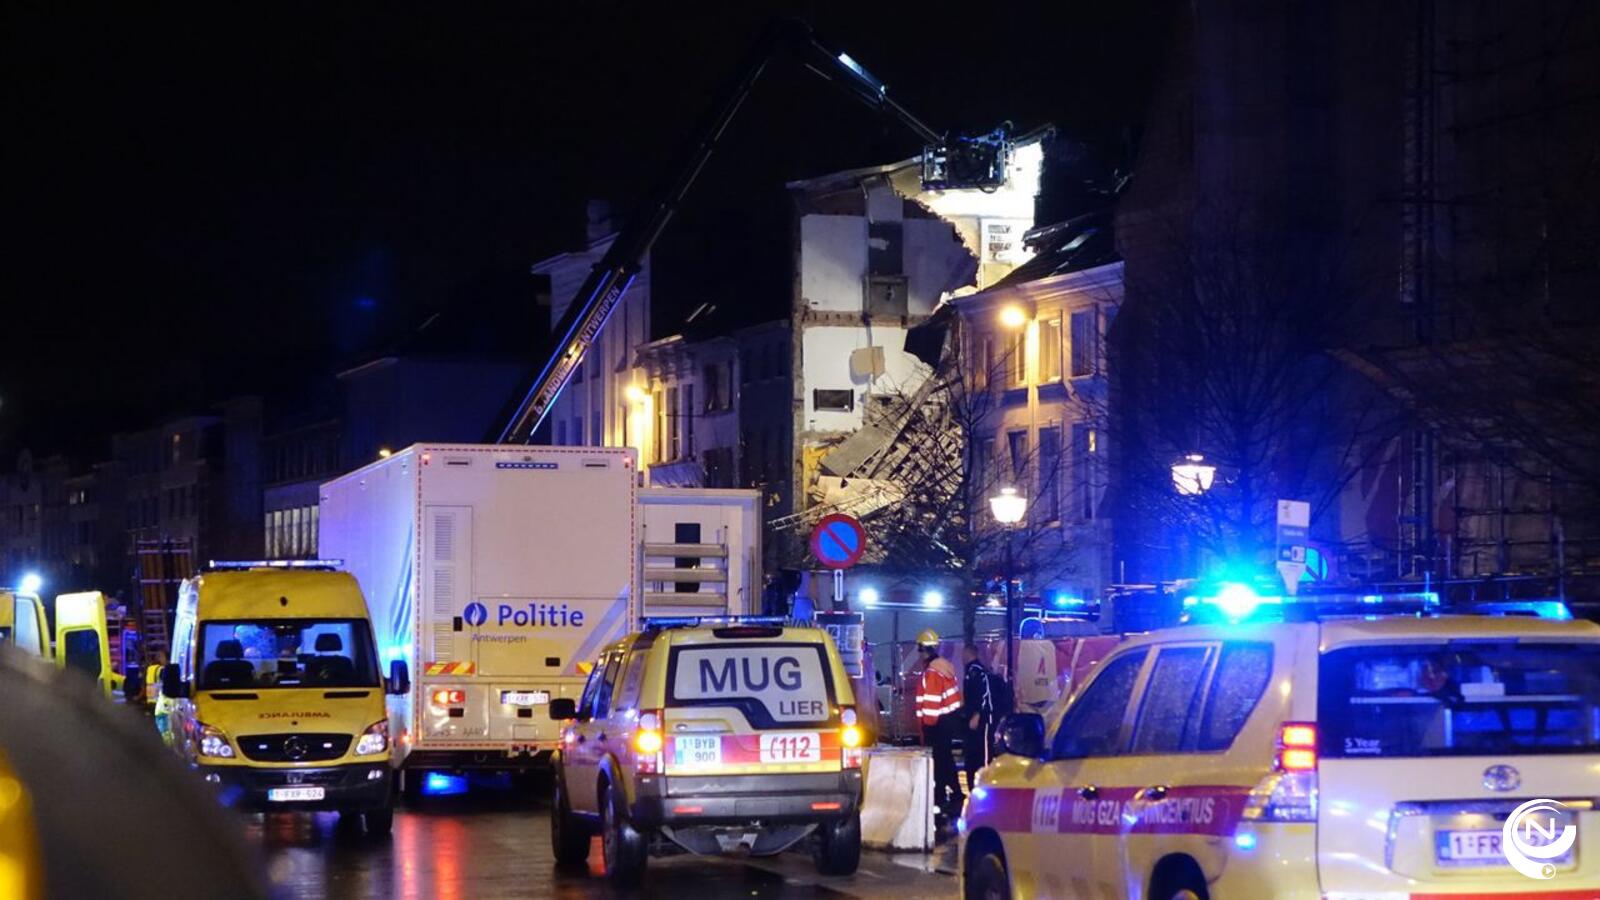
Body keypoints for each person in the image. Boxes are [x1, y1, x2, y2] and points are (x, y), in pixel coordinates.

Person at [913, 629, 962, 826]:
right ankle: (952, 794)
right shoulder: (944, 668)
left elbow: (931, 702)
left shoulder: (932, 672)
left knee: (940, 762)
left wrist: (927, 727)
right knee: (945, 760)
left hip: (936, 724)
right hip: (947, 720)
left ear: (923, 649)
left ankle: (944, 797)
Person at [961, 645, 996, 791]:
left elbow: (984, 694)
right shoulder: (971, 671)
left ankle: (985, 785)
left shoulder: (978, 671)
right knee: (973, 753)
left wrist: (977, 714)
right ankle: (974, 786)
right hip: (973, 719)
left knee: (983, 753)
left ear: (969, 653)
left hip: (982, 720)